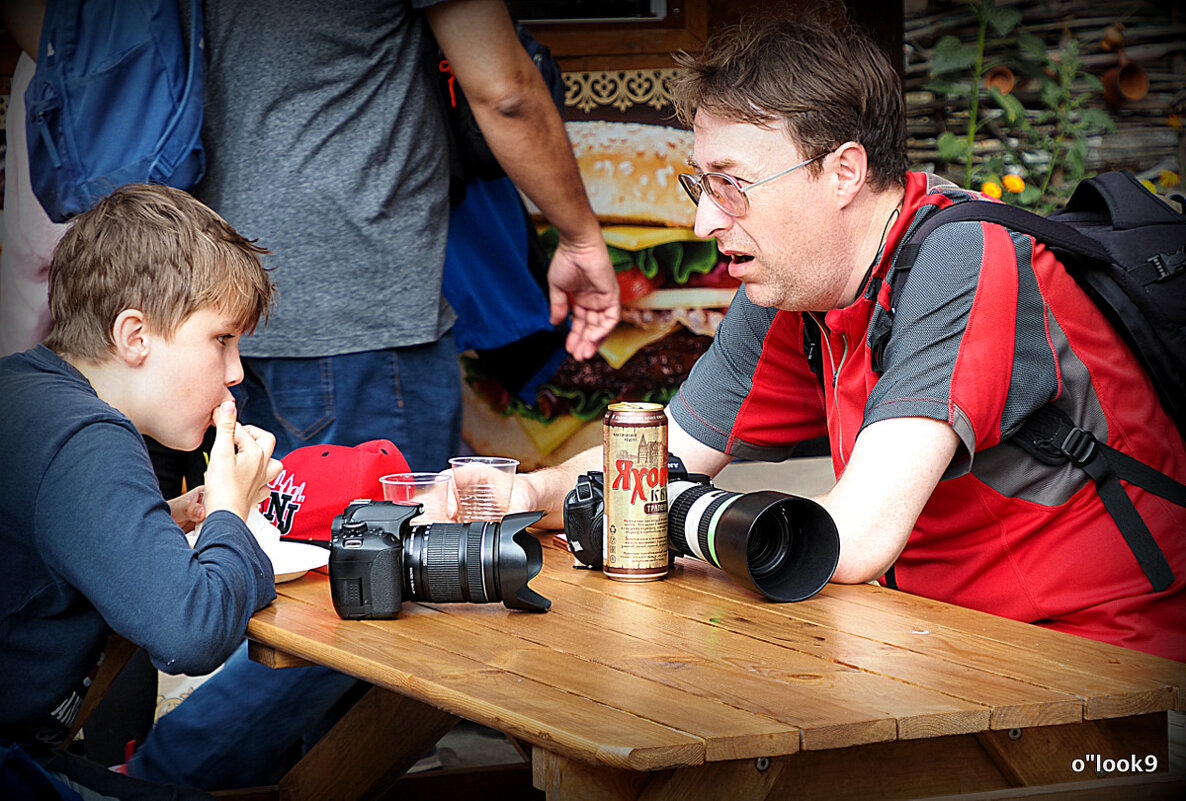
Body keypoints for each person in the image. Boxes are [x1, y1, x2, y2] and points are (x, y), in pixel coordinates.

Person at [512, 16, 1186, 662]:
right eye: (701, 185)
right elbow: (649, 461)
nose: (703, 223)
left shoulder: (963, 256)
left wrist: (663, 509)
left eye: (731, 185)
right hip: (937, 637)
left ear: (844, 172)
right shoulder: (793, 283)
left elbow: (850, 539)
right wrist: (526, 494)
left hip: (1099, 660)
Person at [124, 0, 619, 790]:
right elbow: (506, 90)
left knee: (289, 586)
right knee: (384, 593)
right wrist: (581, 233)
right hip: (360, 308)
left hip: (239, 297)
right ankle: (158, 780)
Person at [0, 183, 280, 800]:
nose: (236, 372)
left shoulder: (26, 390)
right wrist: (231, 512)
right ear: (135, 336)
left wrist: (165, 517)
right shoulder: (87, 436)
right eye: (221, 339)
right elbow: (191, 634)